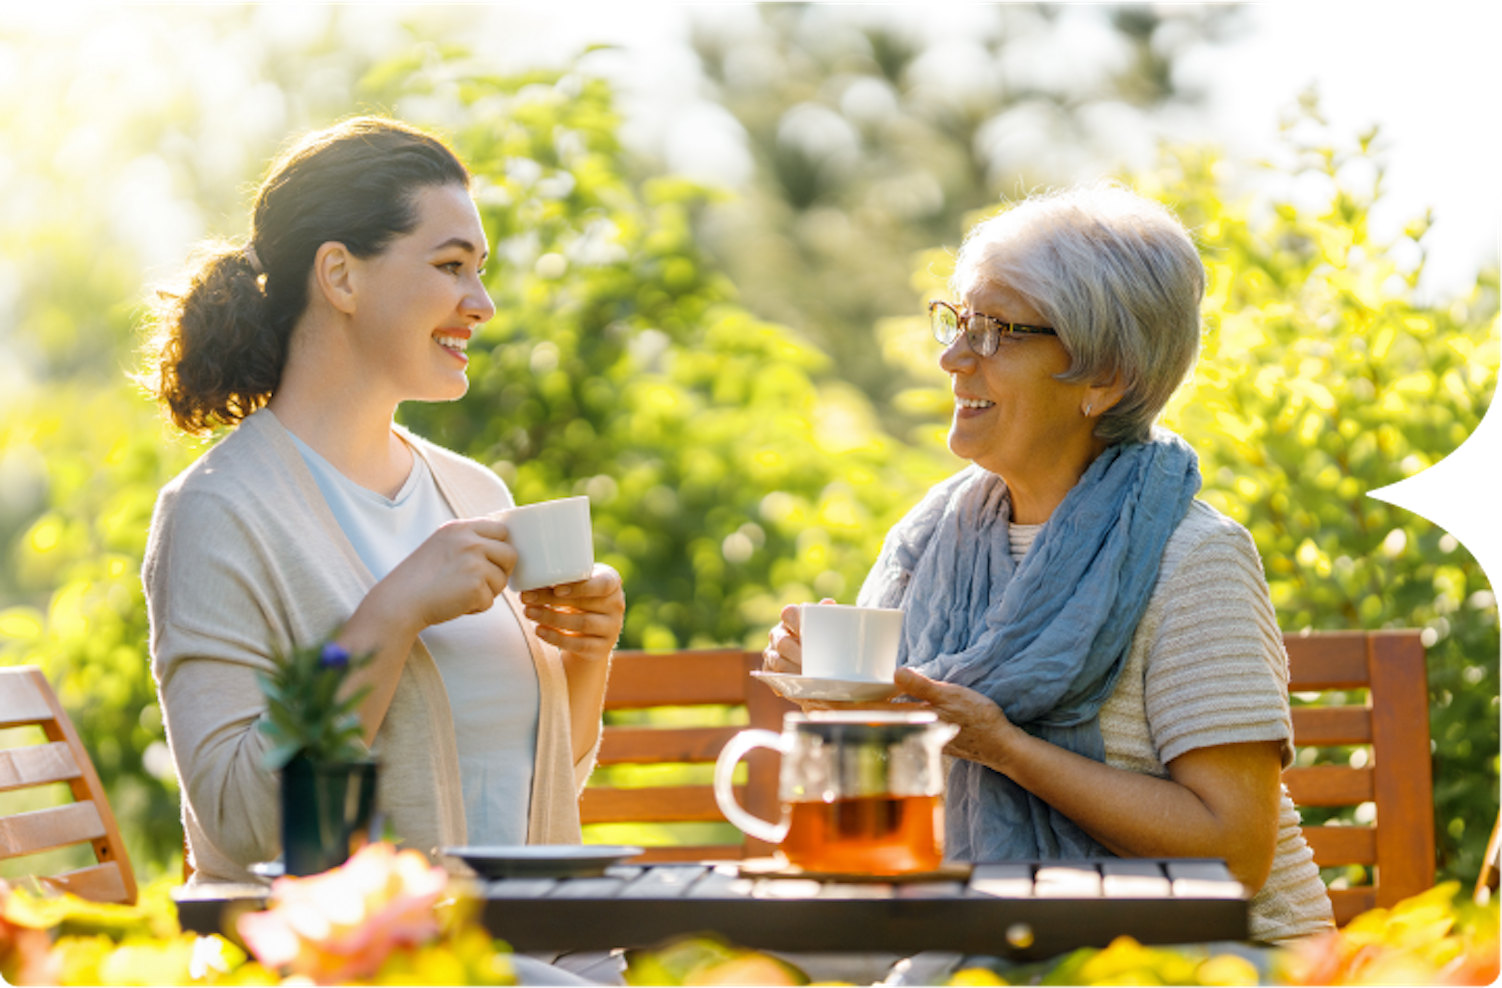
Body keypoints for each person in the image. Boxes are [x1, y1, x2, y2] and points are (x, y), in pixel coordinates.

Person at [763, 182, 1335, 952]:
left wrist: (1004, 748)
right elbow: (895, 782)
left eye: (996, 331)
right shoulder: (929, 540)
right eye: (959, 321)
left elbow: (1236, 851)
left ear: (1104, 377)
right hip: (989, 934)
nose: (952, 357)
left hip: (1200, 958)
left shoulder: (1195, 557)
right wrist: (837, 700)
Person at [140, 118, 625, 898]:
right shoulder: (217, 514)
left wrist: (586, 654)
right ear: (340, 276)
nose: (483, 304)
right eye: (451, 266)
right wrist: (390, 615)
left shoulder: (473, 494)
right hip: (376, 964)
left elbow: (545, 790)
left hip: (547, 945)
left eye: (481, 270)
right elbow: (243, 820)